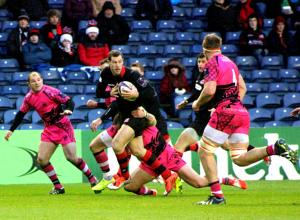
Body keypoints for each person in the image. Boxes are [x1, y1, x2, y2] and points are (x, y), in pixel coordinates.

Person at [192, 33, 297, 205]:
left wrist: (197, 103)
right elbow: (243, 87)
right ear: (220, 47)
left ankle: (217, 196)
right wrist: (233, 105)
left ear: (204, 48)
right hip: (241, 111)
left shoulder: (212, 64)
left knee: (205, 151)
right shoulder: (231, 63)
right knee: (239, 158)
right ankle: (274, 148)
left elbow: (210, 90)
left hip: (225, 112)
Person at [90, 50, 176, 195]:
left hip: (138, 114)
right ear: (109, 62)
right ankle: (168, 175)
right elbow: (99, 93)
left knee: (118, 145)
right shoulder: (105, 74)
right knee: (137, 150)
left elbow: (151, 93)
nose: (117, 65)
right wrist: (108, 94)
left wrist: (137, 95)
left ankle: (123, 175)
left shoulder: (132, 75)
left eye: (119, 62)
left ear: (123, 62)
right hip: (124, 114)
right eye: (114, 62)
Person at [4, 72, 98, 194]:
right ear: (29, 84)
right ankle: (58, 187)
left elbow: (70, 101)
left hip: (63, 126)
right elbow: (21, 114)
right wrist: (11, 130)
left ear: (42, 80)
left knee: (71, 158)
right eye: (33, 81)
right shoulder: (28, 98)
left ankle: (91, 178)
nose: (37, 82)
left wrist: (69, 109)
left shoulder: (50, 91)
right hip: (49, 129)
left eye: (38, 79)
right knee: (42, 159)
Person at [124, 108, 247, 196]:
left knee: (198, 183)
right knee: (129, 186)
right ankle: (151, 192)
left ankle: (226, 180)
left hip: (168, 157)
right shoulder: (129, 131)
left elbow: (152, 119)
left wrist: (144, 113)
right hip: (152, 161)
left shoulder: (146, 119)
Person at [175, 53, 271, 165]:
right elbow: (198, 93)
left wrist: (218, 107)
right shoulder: (200, 75)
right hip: (201, 119)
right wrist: (186, 101)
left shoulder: (217, 76)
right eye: (199, 62)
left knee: (225, 147)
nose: (200, 64)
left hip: (212, 118)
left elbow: (239, 88)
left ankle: (174, 176)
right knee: (222, 146)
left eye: (203, 62)